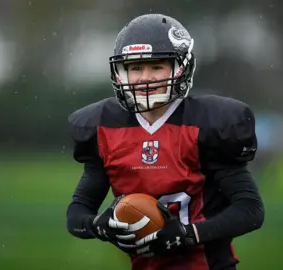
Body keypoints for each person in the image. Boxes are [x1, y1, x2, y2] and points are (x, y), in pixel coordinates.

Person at [66, 13, 265, 270]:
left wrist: (187, 234)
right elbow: (77, 213)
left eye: (156, 66)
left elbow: (249, 210)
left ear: (181, 68)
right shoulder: (105, 127)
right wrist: (100, 226)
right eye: (135, 67)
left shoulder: (206, 124)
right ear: (120, 72)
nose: (144, 77)